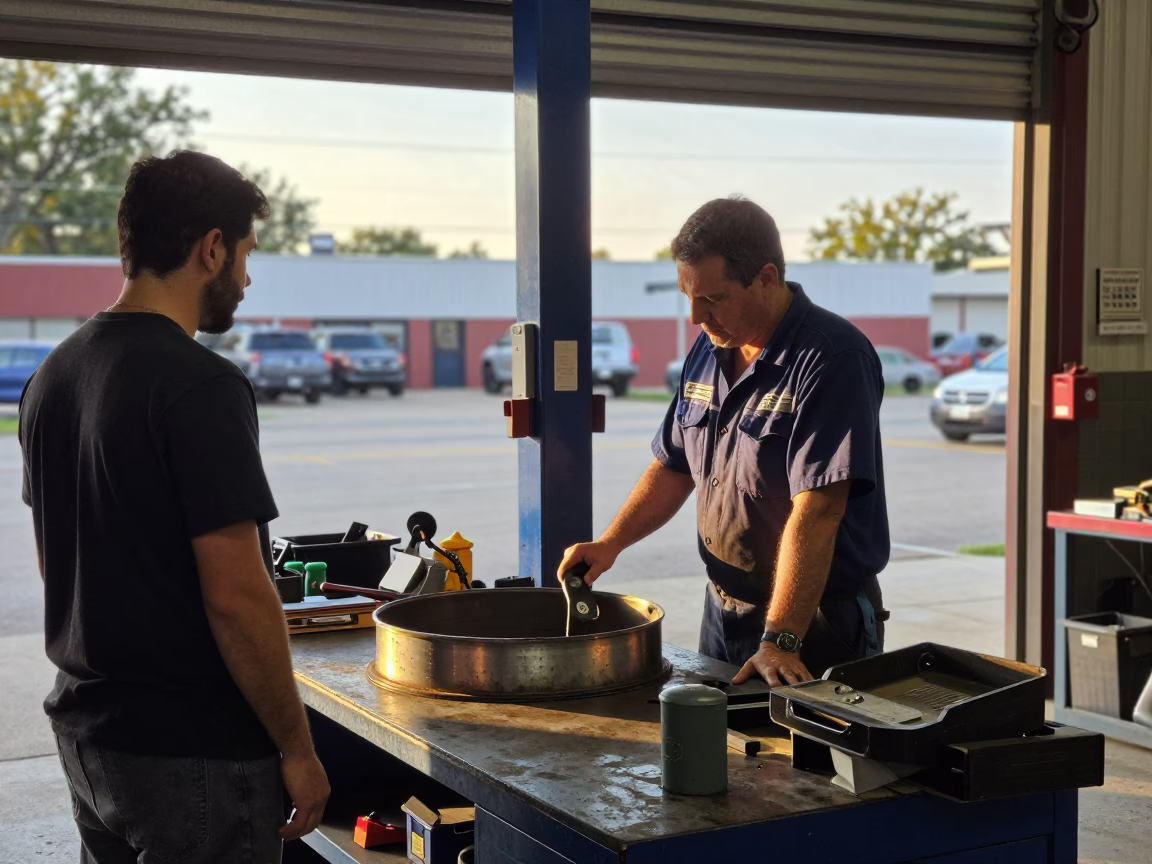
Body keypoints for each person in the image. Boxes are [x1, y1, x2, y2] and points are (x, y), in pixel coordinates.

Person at [19, 150, 329, 863]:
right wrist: (297, 748)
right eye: (246, 255)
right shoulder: (200, 386)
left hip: (91, 738)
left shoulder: (54, 375)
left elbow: (58, 564)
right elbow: (237, 594)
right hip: (196, 755)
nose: (247, 280)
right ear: (210, 248)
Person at [559, 196, 889, 687]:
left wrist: (781, 638)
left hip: (814, 622)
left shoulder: (831, 357)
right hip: (724, 609)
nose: (696, 316)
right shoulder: (712, 346)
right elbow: (674, 465)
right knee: (721, 752)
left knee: (812, 763)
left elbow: (818, 510)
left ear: (767, 278)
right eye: (687, 296)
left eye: (712, 298)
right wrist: (611, 543)